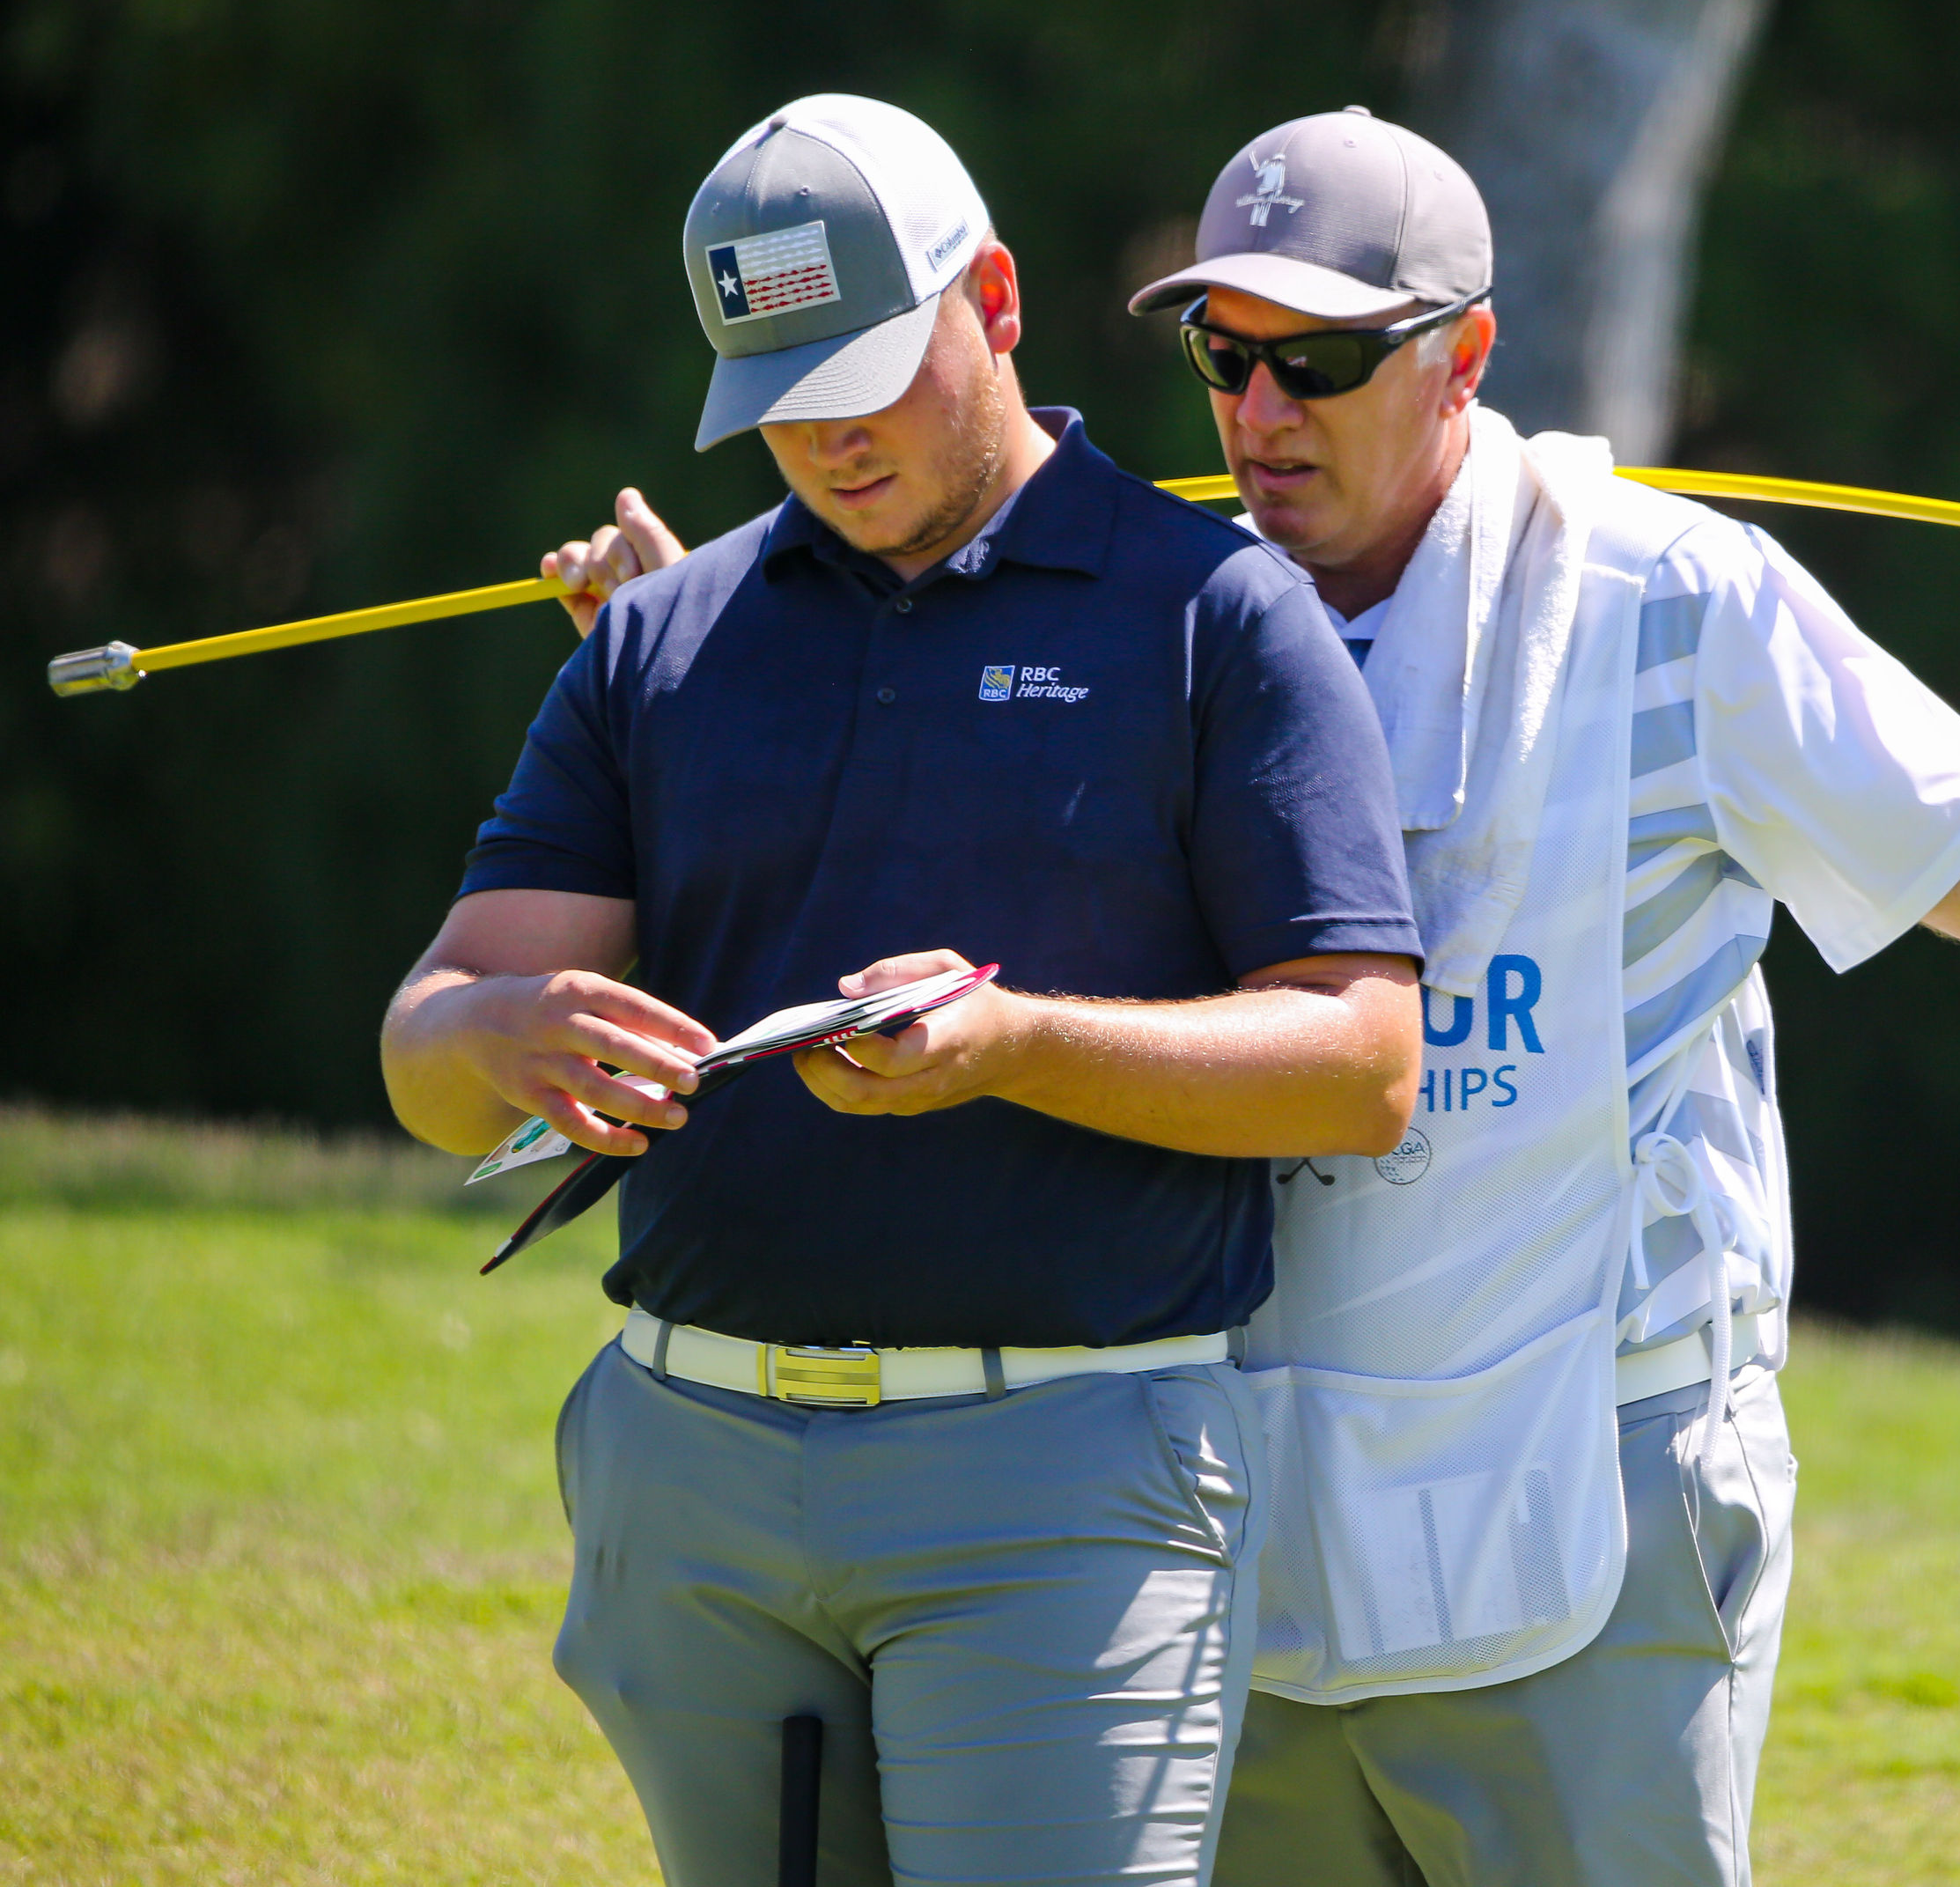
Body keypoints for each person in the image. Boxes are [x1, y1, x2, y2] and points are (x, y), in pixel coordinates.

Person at [548, 106, 1960, 1887]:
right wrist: (724, 631)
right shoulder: (1157, 608)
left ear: (1466, 355)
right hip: (1245, 1491)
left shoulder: (1679, 598)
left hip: (1593, 1488)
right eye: (1224, 357)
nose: (1261, 414)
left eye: (1321, 361)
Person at [385, 94, 1426, 1887]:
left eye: (869, 374)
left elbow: (1360, 1060)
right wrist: (498, 1032)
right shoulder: (666, 635)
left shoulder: (1214, 613)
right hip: (690, 1469)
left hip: (1064, 1478)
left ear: (995, 300)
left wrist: (1013, 1046)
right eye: (781, 397)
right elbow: (430, 1042)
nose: (829, 437)